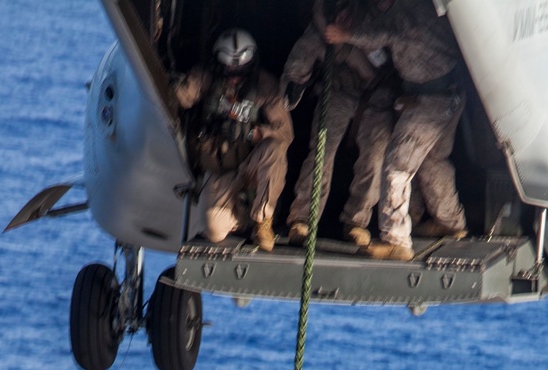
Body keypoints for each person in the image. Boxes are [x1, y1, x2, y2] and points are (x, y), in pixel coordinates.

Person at [325, 0, 468, 261]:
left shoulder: (407, 12)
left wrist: (346, 35)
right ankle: (451, 222)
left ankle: (396, 240)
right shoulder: (411, 7)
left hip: (431, 101)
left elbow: (385, 33)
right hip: (445, 95)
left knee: (396, 167)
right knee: (434, 161)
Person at [174, 29, 293, 253]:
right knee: (213, 230)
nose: (235, 75)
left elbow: (285, 133)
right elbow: (180, 97)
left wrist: (255, 134)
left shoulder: (265, 87)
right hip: (219, 169)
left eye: (241, 70)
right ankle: (243, 218)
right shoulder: (206, 80)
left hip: (251, 165)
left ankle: (262, 220)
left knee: (275, 149)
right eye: (229, 69)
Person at [280, 5, 381, 249]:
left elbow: (392, 40)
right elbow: (303, 54)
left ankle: (357, 220)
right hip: (339, 90)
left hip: (378, 94)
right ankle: (302, 218)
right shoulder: (324, 20)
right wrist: (294, 82)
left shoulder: (376, 15)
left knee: (375, 156)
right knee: (321, 154)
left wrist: (352, 48)